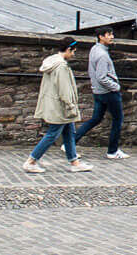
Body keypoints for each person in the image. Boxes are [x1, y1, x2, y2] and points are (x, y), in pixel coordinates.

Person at [23, 37, 92, 174]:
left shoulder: (52, 63)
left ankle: (74, 162)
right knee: (52, 134)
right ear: (68, 49)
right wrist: (71, 106)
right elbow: (64, 90)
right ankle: (31, 161)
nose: (74, 54)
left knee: (69, 133)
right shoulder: (61, 67)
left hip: (55, 105)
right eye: (73, 51)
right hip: (60, 108)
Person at [74, 27, 128, 159]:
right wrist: (116, 87)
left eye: (112, 34)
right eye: (109, 35)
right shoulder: (103, 55)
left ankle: (70, 142)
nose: (112, 37)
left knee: (96, 119)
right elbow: (102, 77)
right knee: (117, 120)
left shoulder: (94, 49)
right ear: (101, 37)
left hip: (98, 92)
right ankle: (112, 151)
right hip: (108, 93)